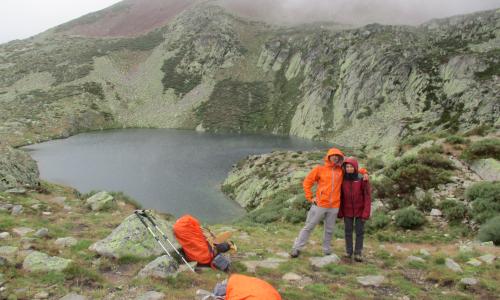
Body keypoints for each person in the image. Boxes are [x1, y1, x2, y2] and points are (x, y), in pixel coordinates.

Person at [290, 148, 346, 258]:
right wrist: (310, 197)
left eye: (337, 156)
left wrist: (364, 172)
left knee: (329, 230)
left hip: (334, 206)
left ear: (340, 158)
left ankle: (326, 250)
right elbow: (307, 182)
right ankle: (296, 248)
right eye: (333, 155)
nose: (335, 157)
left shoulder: (341, 170)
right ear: (328, 156)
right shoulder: (320, 169)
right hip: (320, 205)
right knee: (309, 227)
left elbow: (354, 168)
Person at [338, 157, 371, 262]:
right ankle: (348, 251)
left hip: (360, 211)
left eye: (351, 166)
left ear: (355, 167)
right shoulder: (342, 179)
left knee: (359, 232)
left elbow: (367, 196)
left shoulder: (362, 179)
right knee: (348, 231)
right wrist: (340, 211)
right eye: (347, 166)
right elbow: (341, 197)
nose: (349, 168)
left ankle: (358, 253)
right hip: (347, 211)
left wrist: (366, 213)